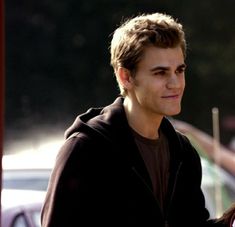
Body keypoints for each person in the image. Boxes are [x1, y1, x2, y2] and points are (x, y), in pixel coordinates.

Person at [41, 12, 229, 226]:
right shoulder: (85, 150)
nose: (175, 83)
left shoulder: (183, 154)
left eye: (179, 70)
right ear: (126, 77)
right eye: (160, 73)